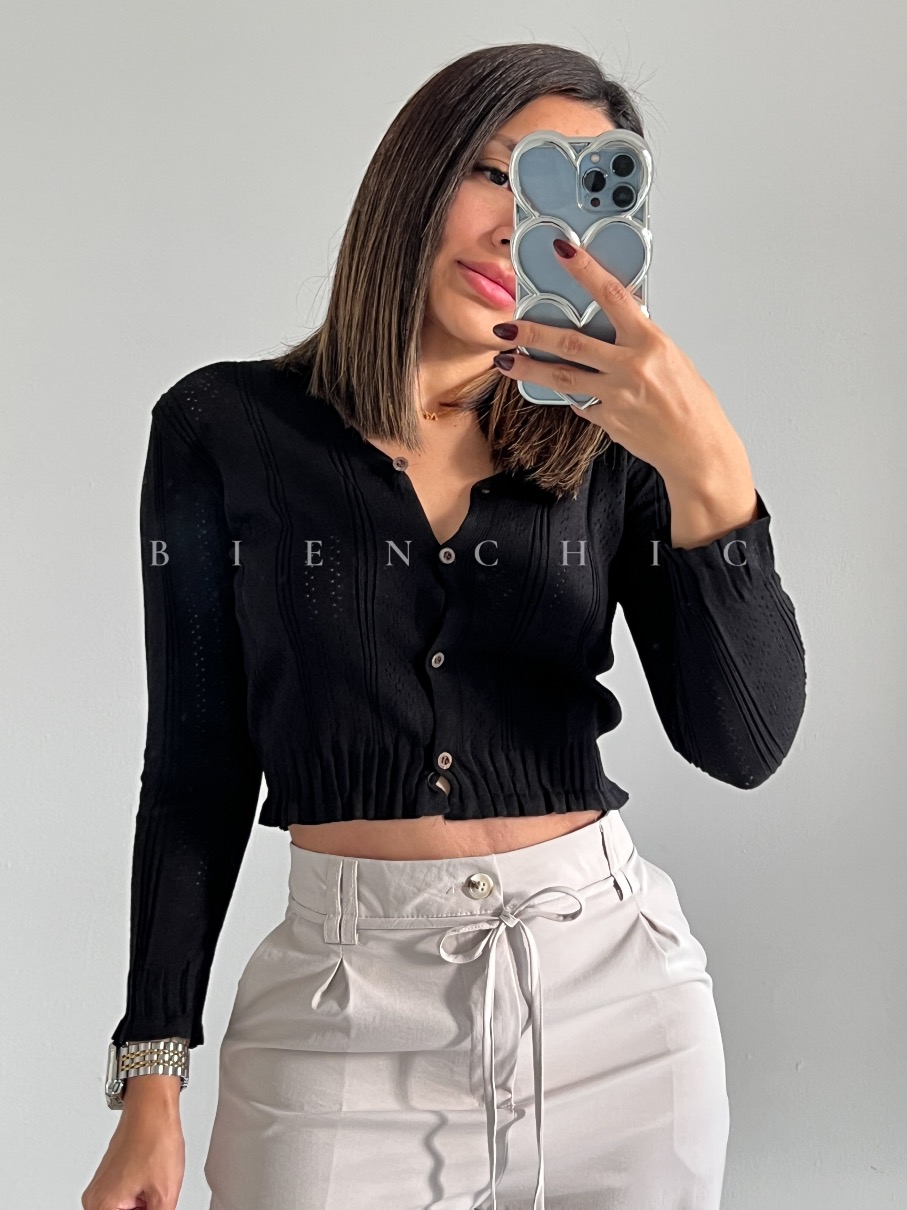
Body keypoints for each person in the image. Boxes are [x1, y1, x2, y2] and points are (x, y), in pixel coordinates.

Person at [82, 42, 806, 1210]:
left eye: (566, 198)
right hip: (337, 1014)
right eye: (494, 172)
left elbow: (744, 742)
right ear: (415, 175)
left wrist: (708, 467)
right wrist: (152, 1078)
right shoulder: (221, 427)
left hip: (618, 1010)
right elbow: (194, 768)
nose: (516, 229)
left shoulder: (616, 442)